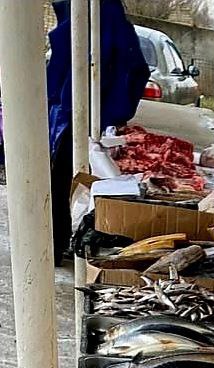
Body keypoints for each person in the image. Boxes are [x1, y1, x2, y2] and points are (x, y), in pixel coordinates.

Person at [47, 0, 149, 263]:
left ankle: (55, 245)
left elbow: (61, 65)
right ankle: (60, 241)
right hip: (84, 110)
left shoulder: (91, 14)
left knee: (59, 180)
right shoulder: (110, 17)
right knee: (65, 179)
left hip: (75, 110)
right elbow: (136, 69)